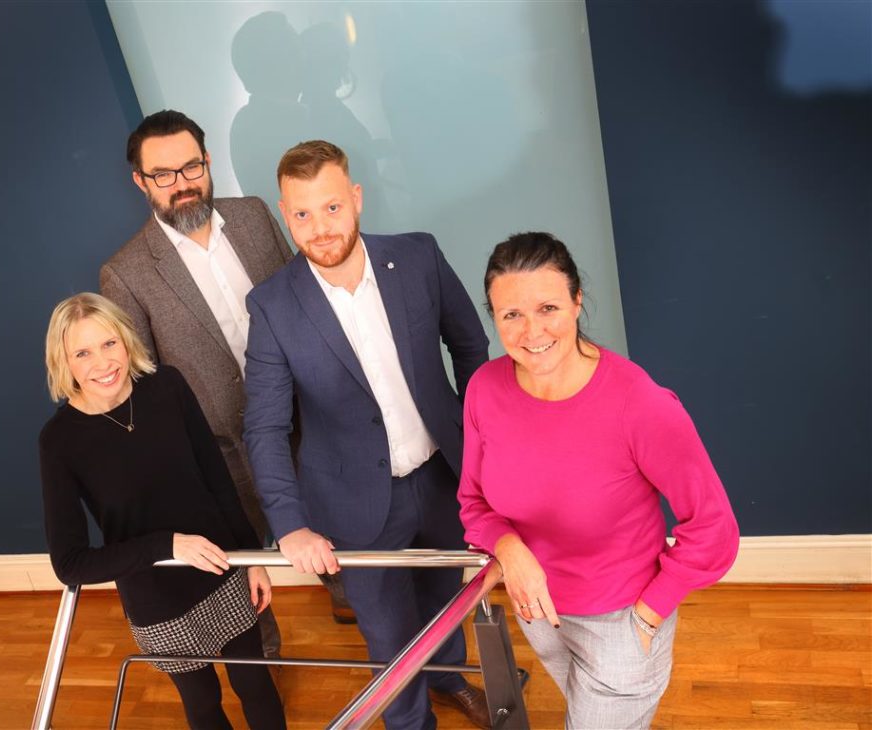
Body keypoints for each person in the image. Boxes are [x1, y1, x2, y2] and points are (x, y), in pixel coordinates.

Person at [243, 140, 492, 730]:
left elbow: (471, 347)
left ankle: (450, 679)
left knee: (445, 602)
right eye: (301, 214)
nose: (319, 228)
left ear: (356, 199)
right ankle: (409, 722)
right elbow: (266, 425)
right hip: (352, 501)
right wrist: (290, 523)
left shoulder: (419, 257)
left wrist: (484, 447)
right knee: (386, 632)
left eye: (331, 208)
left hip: (441, 477)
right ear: (284, 214)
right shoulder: (273, 306)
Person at [457, 233, 740, 729]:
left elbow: (715, 530)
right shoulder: (484, 389)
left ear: (577, 301)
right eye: (511, 315)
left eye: (547, 307)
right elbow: (473, 502)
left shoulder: (640, 403)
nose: (531, 331)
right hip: (538, 614)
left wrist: (649, 614)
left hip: (620, 623)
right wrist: (510, 548)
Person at [100, 110, 355, 641]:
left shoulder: (256, 215)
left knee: (338, 533)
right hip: (220, 451)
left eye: (191, 167)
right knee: (241, 571)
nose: (182, 184)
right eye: (163, 175)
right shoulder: (125, 273)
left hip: (304, 419)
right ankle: (266, 656)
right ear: (140, 182)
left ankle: (353, 604)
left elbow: (305, 298)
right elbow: (147, 388)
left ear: (207, 161)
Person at [39, 293, 285, 730]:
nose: (102, 363)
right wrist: (167, 544)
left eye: (109, 343)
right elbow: (70, 564)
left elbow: (217, 477)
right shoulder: (59, 442)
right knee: (204, 703)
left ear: (126, 340)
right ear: (64, 363)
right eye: (82, 352)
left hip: (222, 572)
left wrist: (253, 559)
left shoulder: (167, 386)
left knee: (255, 684)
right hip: (158, 601)